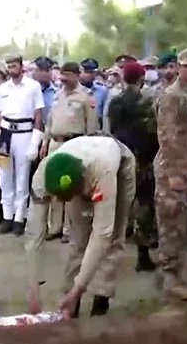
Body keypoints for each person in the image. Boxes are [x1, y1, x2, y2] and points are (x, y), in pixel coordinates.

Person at [26, 135, 136, 318]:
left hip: (117, 167)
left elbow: (102, 234)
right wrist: (33, 289)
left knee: (113, 235)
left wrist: (79, 289)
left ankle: (101, 297)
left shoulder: (103, 170)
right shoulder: (42, 177)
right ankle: (70, 302)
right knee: (77, 236)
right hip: (82, 172)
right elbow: (34, 235)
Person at [154, 48, 187, 301]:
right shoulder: (172, 96)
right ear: (178, 67)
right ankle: (170, 278)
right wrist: (174, 172)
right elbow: (167, 137)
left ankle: (173, 274)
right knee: (171, 223)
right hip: (172, 170)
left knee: (180, 222)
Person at [107, 61, 158, 271]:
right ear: (141, 79)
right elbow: (152, 132)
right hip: (142, 159)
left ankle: (110, 253)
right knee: (144, 207)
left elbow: (113, 130)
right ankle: (142, 256)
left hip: (120, 156)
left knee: (118, 205)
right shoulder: (147, 103)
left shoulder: (115, 102)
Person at [39, 61, 97, 242]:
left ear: (76, 75)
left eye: (68, 75)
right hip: (55, 143)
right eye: (62, 75)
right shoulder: (57, 95)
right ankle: (54, 226)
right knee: (55, 185)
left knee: (72, 187)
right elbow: (49, 122)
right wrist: (45, 143)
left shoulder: (86, 97)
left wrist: (89, 149)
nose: (63, 79)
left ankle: (68, 229)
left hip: (75, 144)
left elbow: (92, 126)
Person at [0, 55, 45, 235]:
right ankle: (7, 216)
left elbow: (38, 116)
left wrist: (34, 143)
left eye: (14, 66)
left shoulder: (33, 86)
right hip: (5, 134)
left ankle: (19, 218)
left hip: (24, 133)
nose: (11, 69)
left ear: (21, 67)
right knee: (4, 177)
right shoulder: (3, 88)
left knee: (22, 178)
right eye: (9, 66)